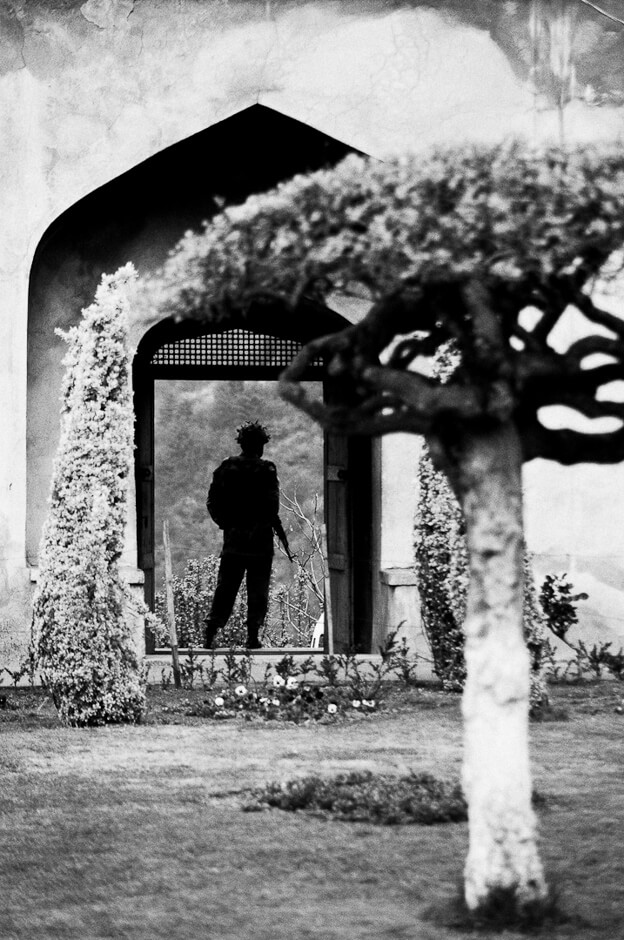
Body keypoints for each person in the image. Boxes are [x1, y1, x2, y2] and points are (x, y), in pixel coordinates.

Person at [203, 421, 293, 649]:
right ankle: (252, 636)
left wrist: (226, 524)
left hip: (234, 541)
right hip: (261, 543)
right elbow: (273, 508)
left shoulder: (227, 468)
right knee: (258, 592)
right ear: (261, 445)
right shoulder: (267, 469)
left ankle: (211, 631)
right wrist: (277, 532)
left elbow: (213, 501)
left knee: (226, 588)